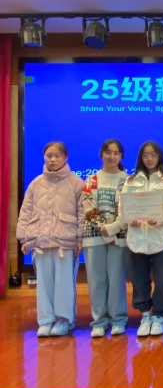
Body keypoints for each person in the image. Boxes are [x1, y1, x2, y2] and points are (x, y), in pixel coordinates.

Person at [16, 142, 85, 338]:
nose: (52, 159)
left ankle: (64, 320)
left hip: (66, 241)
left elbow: (83, 213)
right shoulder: (36, 183)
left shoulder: (76, 183)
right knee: (44, 283)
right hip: (41, 241)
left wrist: (80, 237)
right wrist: (24, 238)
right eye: (49, 156)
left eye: (57, 156)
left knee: (64, 283)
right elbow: (26, 212)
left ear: (65, 157)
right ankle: (45, 320)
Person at [119, 141, 163, 338]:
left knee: (161, 281)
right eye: (145, 155)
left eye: (153, 155)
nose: (149, 159)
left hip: (160, 237)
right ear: (140, 158)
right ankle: (145, 315)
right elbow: (123, 207)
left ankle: (159, 316)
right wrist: (129, 219)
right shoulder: (131, 181)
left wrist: (158, 218)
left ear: (159, 156)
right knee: (139, 280)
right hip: (137, 238)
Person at [82, 139, 131, 338]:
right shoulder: (91, 180)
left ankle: (118, 320)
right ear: (101, 154)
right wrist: (102, 228)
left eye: (116, 153)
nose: (112, 156)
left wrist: (112, 229)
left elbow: (128, 210)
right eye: (108, 152)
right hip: (94, 237)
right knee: (96, 280)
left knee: (117, 279)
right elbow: (88, 205)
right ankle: (99, 322)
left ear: (121, 156)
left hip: (119, 238)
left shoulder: (128, 180)